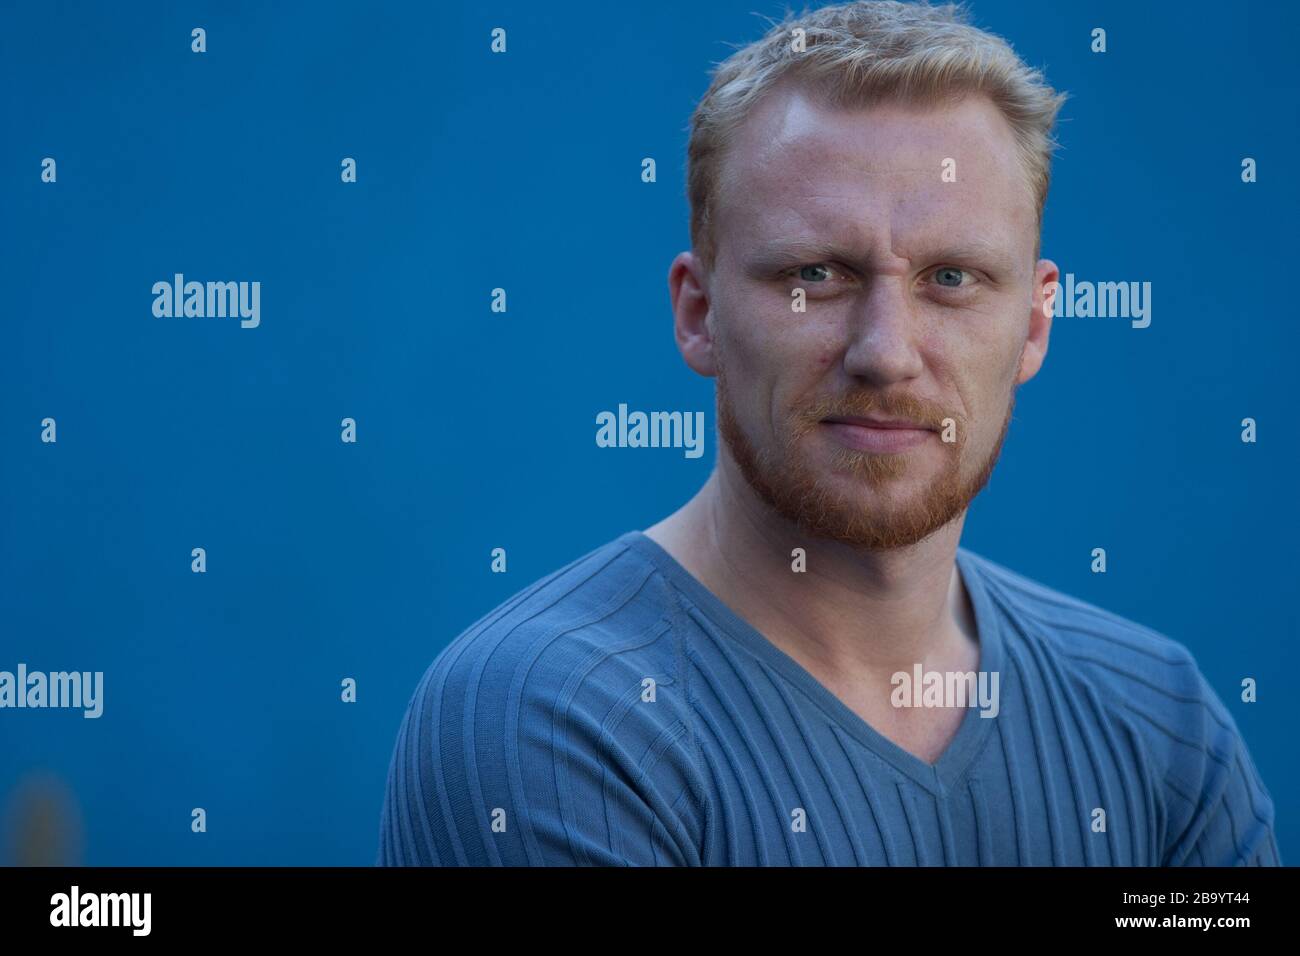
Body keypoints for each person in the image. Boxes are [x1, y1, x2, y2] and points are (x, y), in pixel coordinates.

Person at [378, 0, 1279, 866]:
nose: (886, 355)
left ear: (1036, 326)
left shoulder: (1161, 724)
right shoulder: (548, 719)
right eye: (816, 274)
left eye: (953, 278)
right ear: (698, 314)